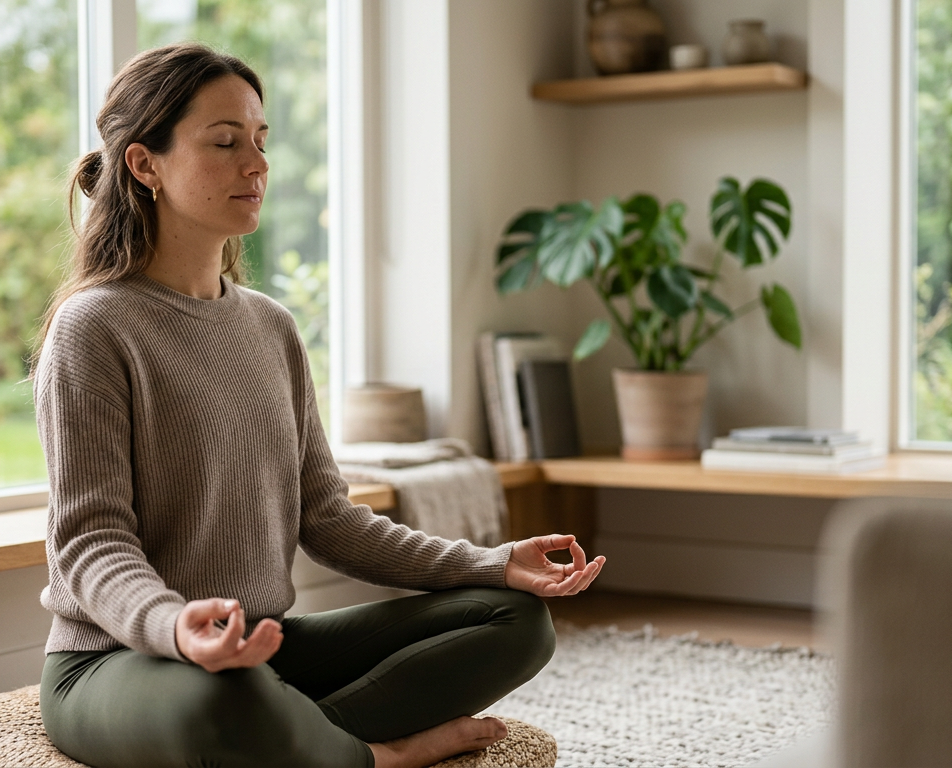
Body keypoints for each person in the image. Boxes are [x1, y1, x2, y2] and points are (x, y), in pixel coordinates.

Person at [32, 42, 605, 768]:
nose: (257, 164)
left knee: (518, 621)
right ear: (145, 165)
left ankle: (290, 745)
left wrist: (492, 563)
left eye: (260, 140)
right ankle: (368, 757)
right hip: (115, 662)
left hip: (259, 651)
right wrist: (178, 627)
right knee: (223, 699)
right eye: (225, 142)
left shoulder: (270, 327)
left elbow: (329, 519)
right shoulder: (95, 328)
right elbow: (91, 545)